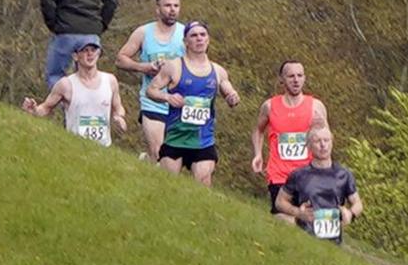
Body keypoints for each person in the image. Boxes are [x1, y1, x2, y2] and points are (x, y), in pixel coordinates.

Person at [143, 22, 239, 186]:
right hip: (176, 139)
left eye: (203, 35)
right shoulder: (173, 66)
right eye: (194, 36)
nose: (199, 39)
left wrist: (232, 96)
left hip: (203, 141)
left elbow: (228, 89)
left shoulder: (217, 71)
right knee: (168, 187)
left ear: (208, 40)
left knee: (202, 185)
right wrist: (167, 98)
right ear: (185, 41)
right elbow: (151, 90)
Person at [116, 0, 187, 160]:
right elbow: (120, 59)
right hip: (152, 100)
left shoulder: (186, 34)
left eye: (176, 6)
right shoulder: (143, 32)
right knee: (159, 153)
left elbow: (199, 64)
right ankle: (152, 159)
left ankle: (146, 163)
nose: (172, 10)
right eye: (168, 5)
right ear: (157, 9)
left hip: (179, 102)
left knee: (175, 158)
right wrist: (144, 67)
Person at [252, 63, 330, 210]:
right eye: (291, 76)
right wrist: (258, 154)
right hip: (279, 176)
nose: (296, 80)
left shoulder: (316, 106)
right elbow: (258, 130)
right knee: (285, 220)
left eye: (300, 76)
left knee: (307, 224)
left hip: (309, 175)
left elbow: (328, 141)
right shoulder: (269, 106)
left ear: (304, 78)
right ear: (282, 80)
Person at [23, 37, 126, 147]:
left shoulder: (110, 81)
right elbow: (45, 107)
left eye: (93, 50)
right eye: (85, 50)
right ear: (75, 56)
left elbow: (118, 107)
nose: (90, 54)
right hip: (75, 148)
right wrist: (34, 110)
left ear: (99, 53)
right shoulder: (65, 85)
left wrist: (119, 118)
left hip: (104, 149)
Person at [276, 129, 360, 243]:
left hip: (333, 240)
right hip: (303, 235)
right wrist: (298, 213)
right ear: (309, 146)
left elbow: (357, 203)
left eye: (326, 140)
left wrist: (350, 213)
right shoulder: (299, 175)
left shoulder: (344, 174)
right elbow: (280, 201)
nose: (323, 145)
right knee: (278, 219)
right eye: (317, 141)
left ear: (332, 143)